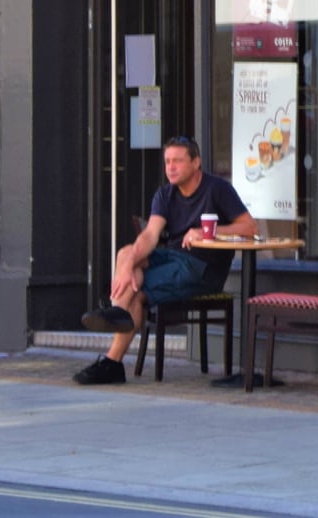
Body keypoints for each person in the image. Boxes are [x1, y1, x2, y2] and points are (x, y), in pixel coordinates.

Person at [73, 136, 256, 385]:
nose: (170, 167)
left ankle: (113, 350)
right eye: (167, 161)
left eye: (178, 161)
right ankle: (117, 315)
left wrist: (207, 233)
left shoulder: (217, 189)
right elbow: (150, 235)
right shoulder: (165, 194)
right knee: (126, 254)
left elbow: (249, 226)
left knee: (135, 292)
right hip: (172, 257)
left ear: (195, 163)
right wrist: (127, 266)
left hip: (202, 269)